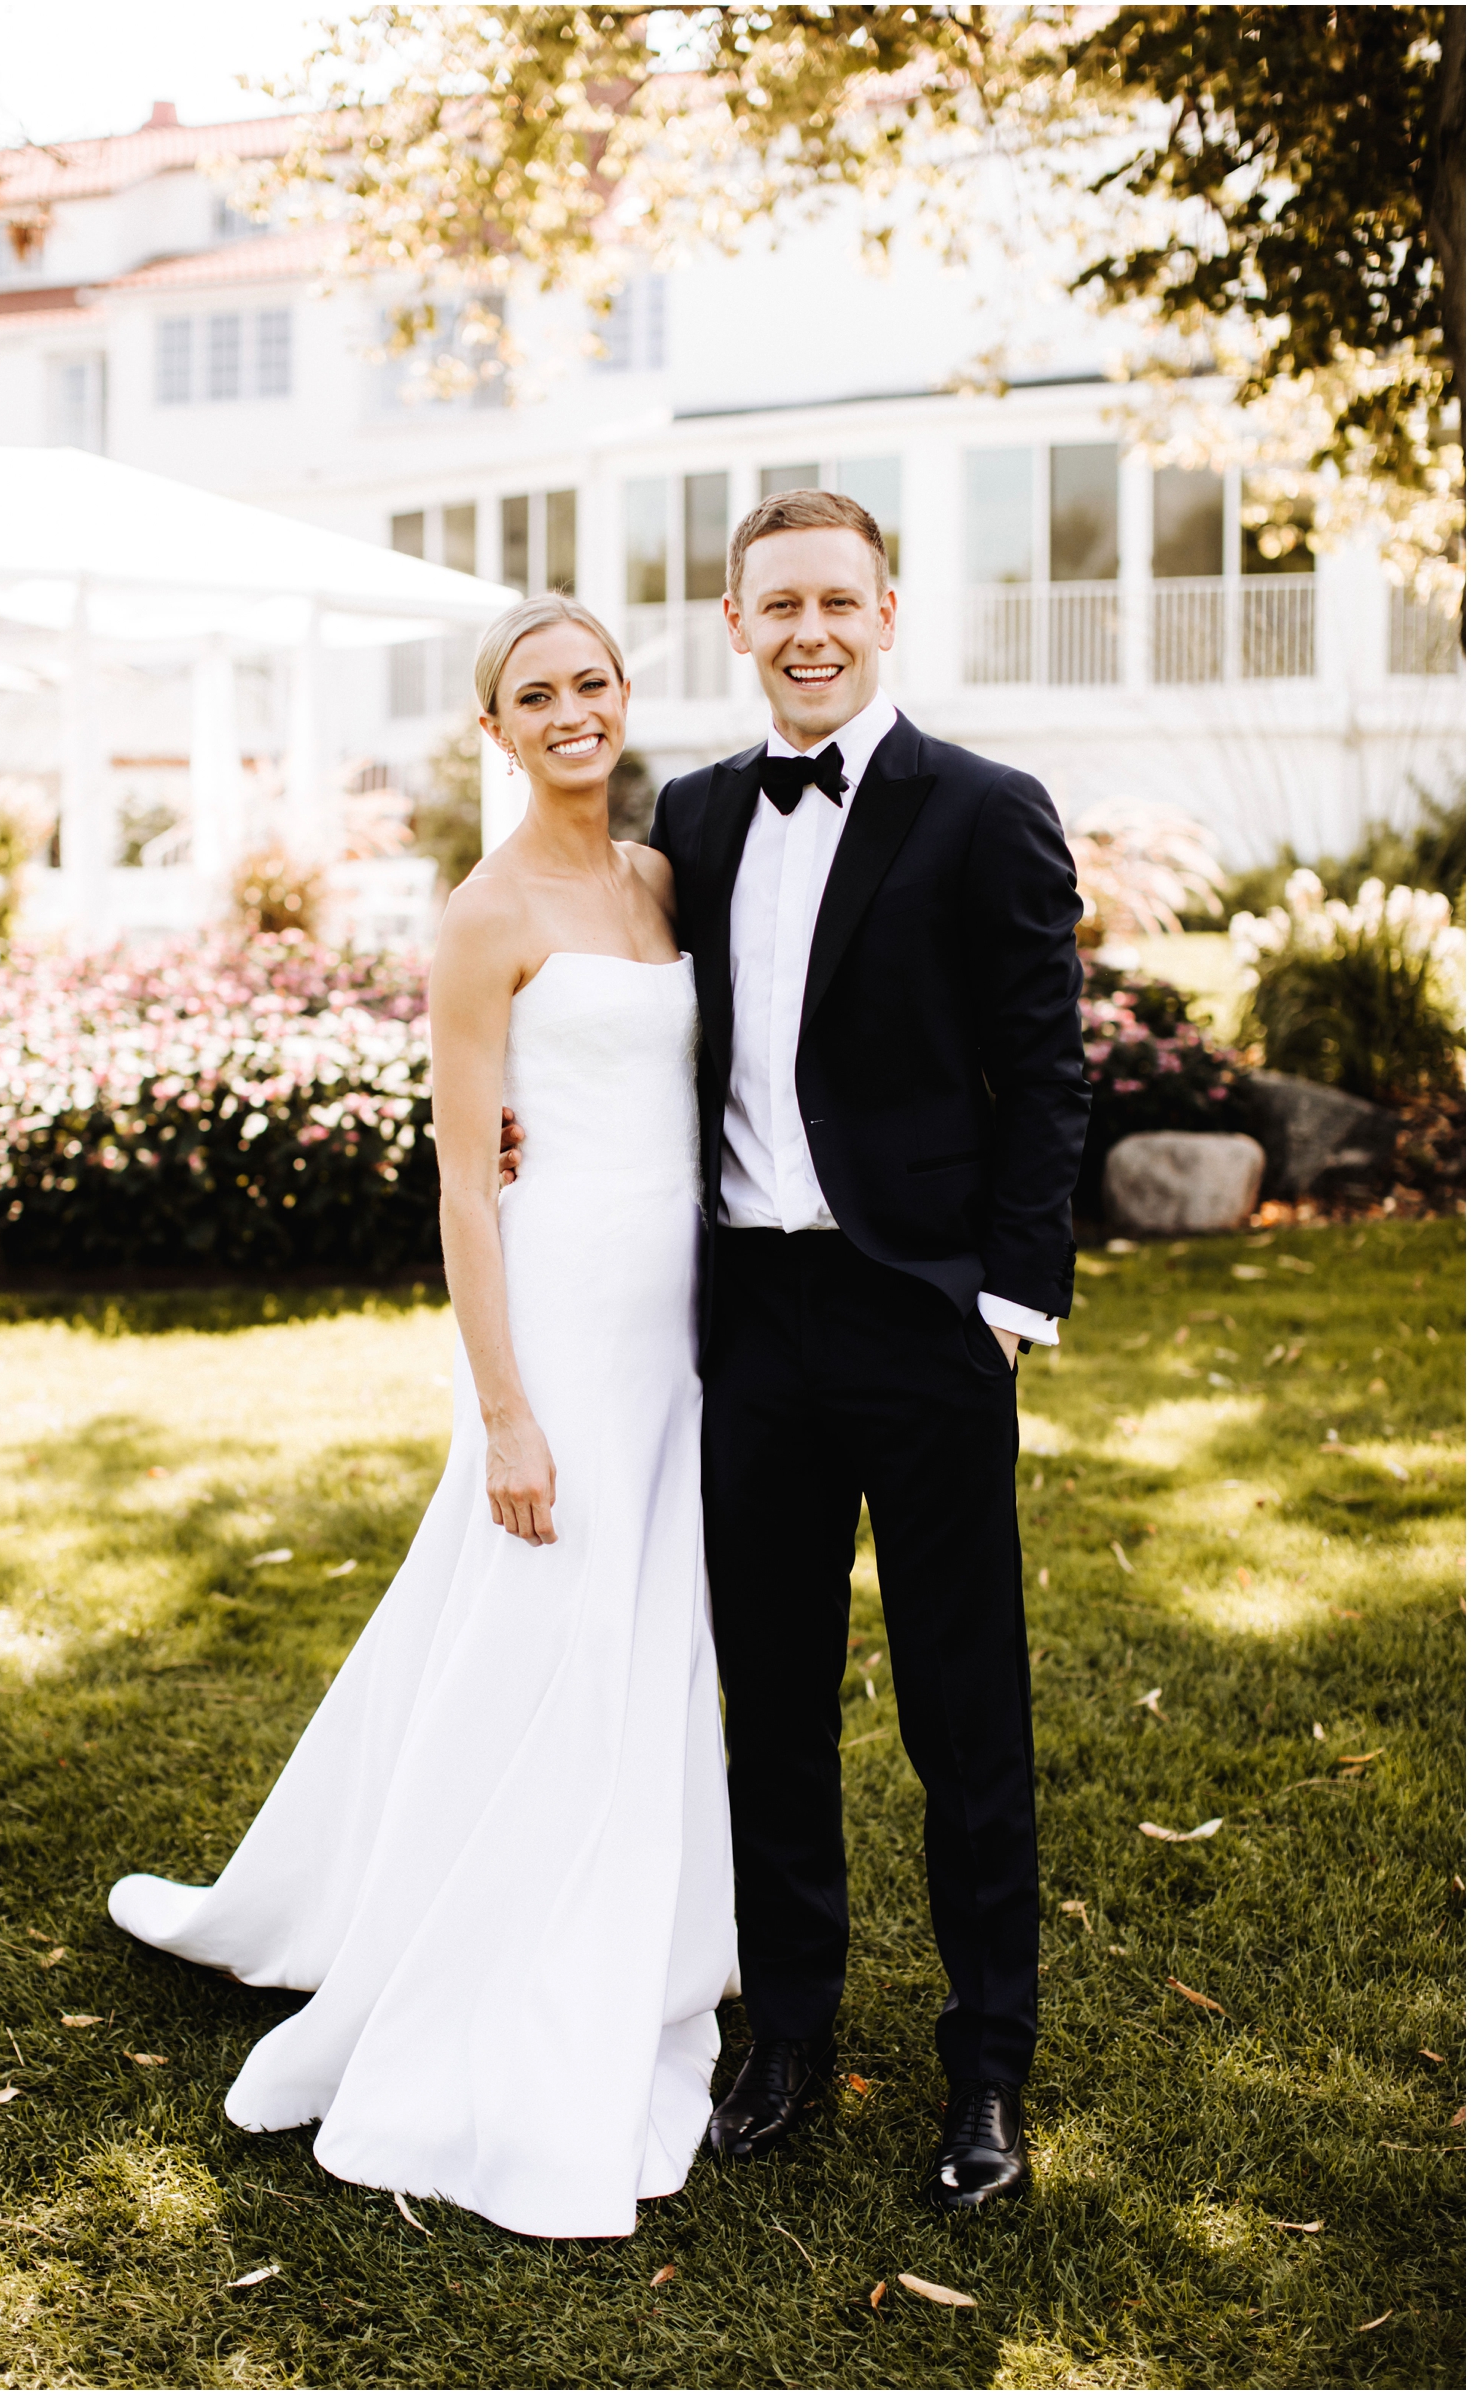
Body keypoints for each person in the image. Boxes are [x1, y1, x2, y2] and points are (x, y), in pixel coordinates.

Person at [108, 594, 737, 2241]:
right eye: (536, 694)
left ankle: (632, 1924)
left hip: (679, 1318)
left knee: (633, 1626)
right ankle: (459, 1953)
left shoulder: (663, 879)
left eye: (593, 681)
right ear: (495, 729)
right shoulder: (483, 913)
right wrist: (507, 1411)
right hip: (560, 1320)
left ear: (621, 695)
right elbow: (465, 1187)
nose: (572, 710)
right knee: (534, 1624)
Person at [644, 488, 1088, 2209]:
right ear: (737, 623)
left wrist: (1005, 1295)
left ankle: (986, 2074)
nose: (811, 629)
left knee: (963, 1710)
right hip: (751, 1325)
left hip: (923, 1317)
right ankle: (791, 2035)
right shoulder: (688, 812)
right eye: (780, 605)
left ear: (888, 612)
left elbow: (1047, 1074)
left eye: (841, 599)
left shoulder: (983, 810)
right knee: (773, 1703)